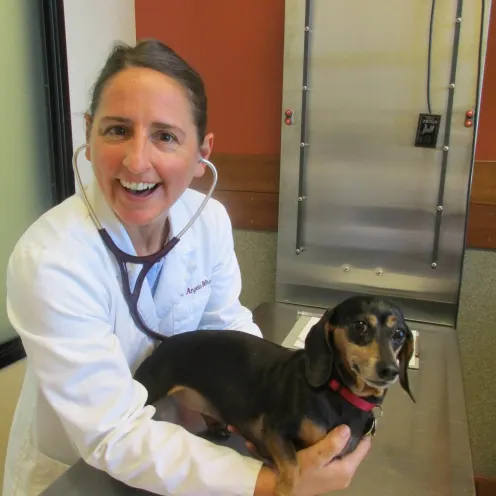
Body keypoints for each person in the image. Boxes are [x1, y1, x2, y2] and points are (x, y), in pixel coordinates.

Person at [2, 39, 371, 495]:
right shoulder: (51, 260)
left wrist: (272, 406)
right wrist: (268, 483)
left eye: (165, 136)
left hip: (187, 450)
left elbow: (227, 325)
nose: (137, 161)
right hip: (80, 473)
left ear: (202, 154)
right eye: (117, 130)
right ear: (88, 133)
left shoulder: (208, 221)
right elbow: (112, 432)